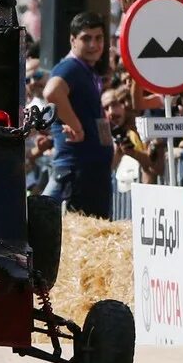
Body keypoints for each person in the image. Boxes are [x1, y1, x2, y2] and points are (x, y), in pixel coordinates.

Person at [42, 12, 113, 218]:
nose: (93, 44)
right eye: (86, 38)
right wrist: (77, 127)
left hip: (88, 170)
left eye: (98, 38)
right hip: (78, 171)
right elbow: (52, 92)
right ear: (73, 40)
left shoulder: (86, 70)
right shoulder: (70, 67)